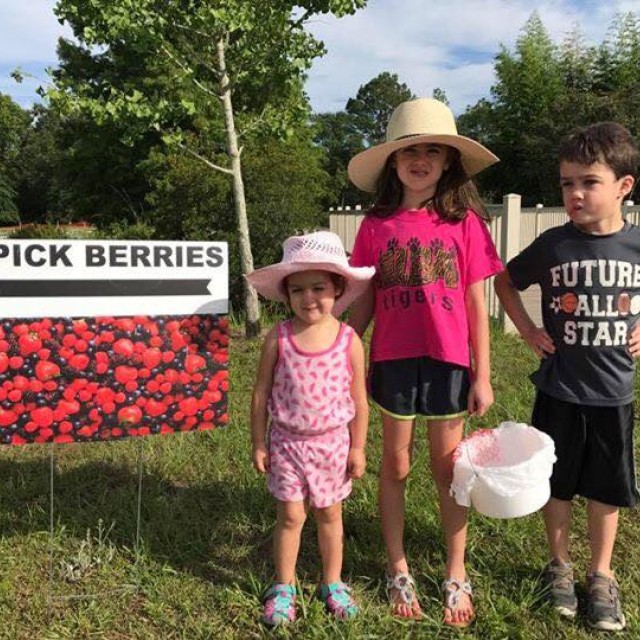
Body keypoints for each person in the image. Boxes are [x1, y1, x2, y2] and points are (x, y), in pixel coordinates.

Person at [347, 97, 503, 627]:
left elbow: (477, 302)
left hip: (448, 363)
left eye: (433, 151)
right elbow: (363, 299)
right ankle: (398, 566)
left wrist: (480, 373)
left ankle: (456, 570)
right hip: (393, 360)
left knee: (449, 471)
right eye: (410, 150)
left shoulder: (466, 224)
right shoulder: (375, 227)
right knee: (395, 465)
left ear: (448, 162)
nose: (421, 159)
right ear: (392, 161)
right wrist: (340, 351)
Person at [494, 121, 640, 632]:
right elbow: (505, 282)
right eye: (566, 183)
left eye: (588, 182)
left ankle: (601, 575)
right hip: (559, 389)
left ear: (624, 186)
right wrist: (529, 329)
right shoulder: (554, 244)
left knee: (607, 489)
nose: (574, 193)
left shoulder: (636, 246)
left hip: (613, 394)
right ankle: (558, 566)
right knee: (554, 484)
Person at [247, 230, 375, 626]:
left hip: (332, 447)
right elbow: (260, 393)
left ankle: (332, 582)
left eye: (318, 287)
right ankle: (283, 586)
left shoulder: (349, 340)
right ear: (286, 295)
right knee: (290, 517)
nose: (309, 298)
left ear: (338, 287)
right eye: (298, 289)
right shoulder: (279, 337)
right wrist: (258, 442)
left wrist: (358, 448)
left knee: (330, 517)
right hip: (286, 445)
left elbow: (359, 401)